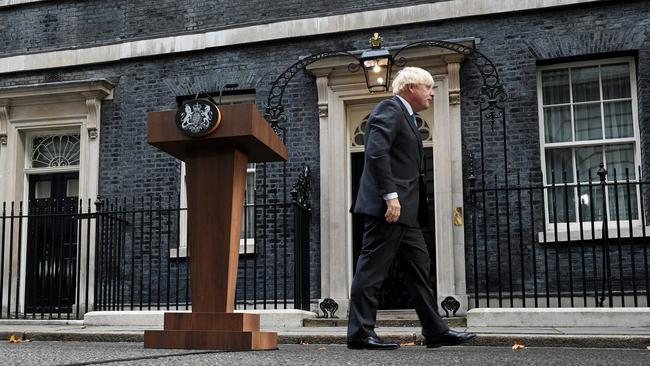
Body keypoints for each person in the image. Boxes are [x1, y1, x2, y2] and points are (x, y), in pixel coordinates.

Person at [347, 67, 476, 350]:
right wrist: (390, 196)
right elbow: (376, 152)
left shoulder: (409, 118)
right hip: (388, 209)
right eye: (428, 87)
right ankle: (359, 333)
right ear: (410, 88)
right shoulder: (389, 109)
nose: (432, 92)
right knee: (371, 271)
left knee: (419, 268)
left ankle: (435, 330)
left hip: (406, 214)